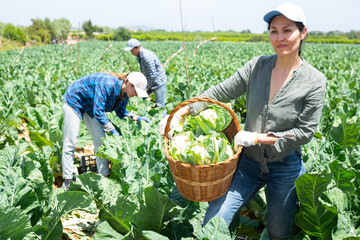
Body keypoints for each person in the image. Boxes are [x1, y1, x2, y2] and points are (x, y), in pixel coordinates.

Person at [159, 2, 326, 239]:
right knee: (213, 221)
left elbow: (304, 133)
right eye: (274, 31)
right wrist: (180, 113)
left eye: (287, 30)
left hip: (285, 165)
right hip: (247, 163)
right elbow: (218, 93)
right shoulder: (256, 67)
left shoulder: (314, 81)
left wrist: (258, 137)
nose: (280, 37)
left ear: (303, 33)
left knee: (279, 231)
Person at [62, 72, 151, 189]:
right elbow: (98, 111)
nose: (135, 95)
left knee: (101, 141)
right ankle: (67, 179)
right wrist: (112, 130)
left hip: (90, 106)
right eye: (135, 92)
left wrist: (137, 117)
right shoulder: (107, 84)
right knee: (71, 141)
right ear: (129, 84)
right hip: (74, 100)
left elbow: (121, 112)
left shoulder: (124, 95)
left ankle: (103, 176)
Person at [124, 38, 167, 109]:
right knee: (141, 100)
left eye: (132, 50)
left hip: (158, 82)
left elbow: (153, 74)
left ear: (137, 47)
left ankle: (163, 119)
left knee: (160, 105)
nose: (131, 52)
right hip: (149, 81)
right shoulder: (139, 55)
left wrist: (146, 86)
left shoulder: (147, 56)